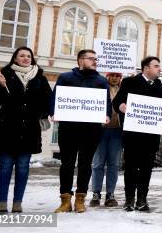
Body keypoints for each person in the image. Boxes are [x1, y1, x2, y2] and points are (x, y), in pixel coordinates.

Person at [0, 47, 52, 213]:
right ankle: (1, 202)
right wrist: (1, 86)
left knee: (23, 167)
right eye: (22, 56)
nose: (26, 58)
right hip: (8, 129)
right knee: (5, 167)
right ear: (15, 59)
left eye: (28, 56)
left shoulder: (40, 78)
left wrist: (44, 114)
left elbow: (47, 102)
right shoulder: (6, 75)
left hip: (29, 130)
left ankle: (18, 202)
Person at [51, 49, 111, 213]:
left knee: (85, 164)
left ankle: (80, 199)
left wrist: (106, 115)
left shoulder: (101, 81)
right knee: (67, 164)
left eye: (95, 59)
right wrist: (53, 112)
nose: (94, 61)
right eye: (91, 58)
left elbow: (106, 102)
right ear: (80, 60)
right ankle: (65, 200)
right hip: (68, 129)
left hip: (91, 130)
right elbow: (55, 98)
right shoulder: (65, 77)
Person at [113, 56, 162, 212]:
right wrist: (121, 106)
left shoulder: (161, 87)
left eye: (159, 66)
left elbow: (160, 110)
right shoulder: (130, 82)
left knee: (146, 169)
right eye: (156, 66)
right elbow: (117, 102)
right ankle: (129, 199)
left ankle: (142, 199)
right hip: (133, 136)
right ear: (146, 68)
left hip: (151, 137)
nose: (159, 68)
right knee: (131, 168)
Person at [89, 72, 123, 207]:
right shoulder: (100, 87)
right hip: (100, 130)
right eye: (112, 75)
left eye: (117, 76)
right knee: (98, 163)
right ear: (107, 76)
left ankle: (110, 194)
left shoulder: (124, 90)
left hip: (117, 131)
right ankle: (96, 193)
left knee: (114, 164)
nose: (114, 78)